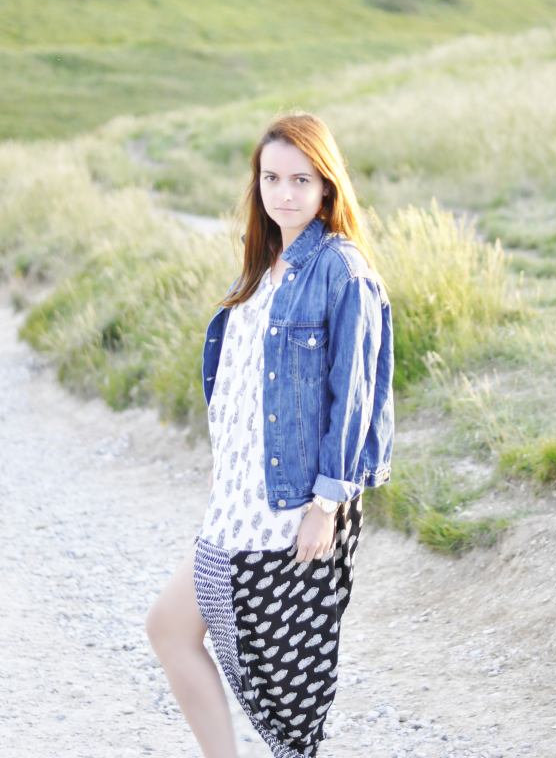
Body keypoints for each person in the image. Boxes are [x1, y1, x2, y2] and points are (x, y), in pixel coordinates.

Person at [146, 112, 394, 758]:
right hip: (236, 495)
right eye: (271, 178)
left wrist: (327, 504)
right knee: (171, 629)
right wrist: (224, 456)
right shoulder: (262, 269)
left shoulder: (343, 270)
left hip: (289, 508)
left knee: (285, 697)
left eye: (300, 180)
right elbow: (242, 382)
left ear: (327, 187)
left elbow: (355, 401)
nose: (283, 194)